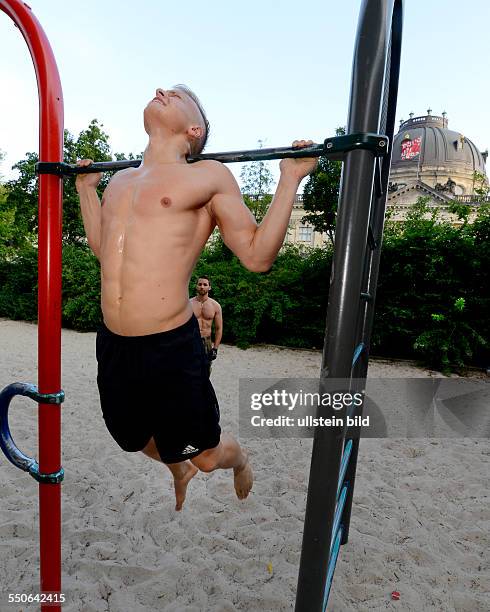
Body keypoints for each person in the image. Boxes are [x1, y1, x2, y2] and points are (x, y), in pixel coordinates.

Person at [75, 85, 317, 511]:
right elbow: (101, 248)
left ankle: (238, 458)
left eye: (177, 94)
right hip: (113, 342)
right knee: (134, 440)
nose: (160, 90)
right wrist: (85, 188)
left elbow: (257, 256)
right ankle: (177, 466)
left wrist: (290, 178)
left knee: (205, 456)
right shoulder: (120, 181)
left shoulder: (208, 176)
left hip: (170, 345)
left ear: (194, 129)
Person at [190, 276, 222, 375]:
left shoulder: (215, 306)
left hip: (206, 341)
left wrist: (215, 348)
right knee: (190, 370)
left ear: (209, 287)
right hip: (191, 341)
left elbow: (218, 328)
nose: (202, 287)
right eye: (200, 284)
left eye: (205, 284)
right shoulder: (188, 304)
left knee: (206, 371)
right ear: (196, 286)